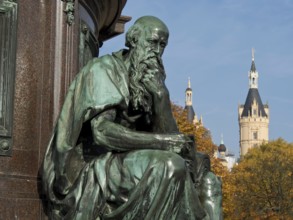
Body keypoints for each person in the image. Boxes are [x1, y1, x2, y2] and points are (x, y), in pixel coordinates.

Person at [42, 16, 211, 220]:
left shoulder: (148, 79)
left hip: (130, 158)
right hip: (93, 160)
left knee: (208, 181)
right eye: (152, 42)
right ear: (133, 40)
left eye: (162, 45)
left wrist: (161, 99)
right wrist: (161, 143)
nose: (157, 52)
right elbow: (102, 132)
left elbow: (172, 140)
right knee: (170, 166)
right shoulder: (103, 69)